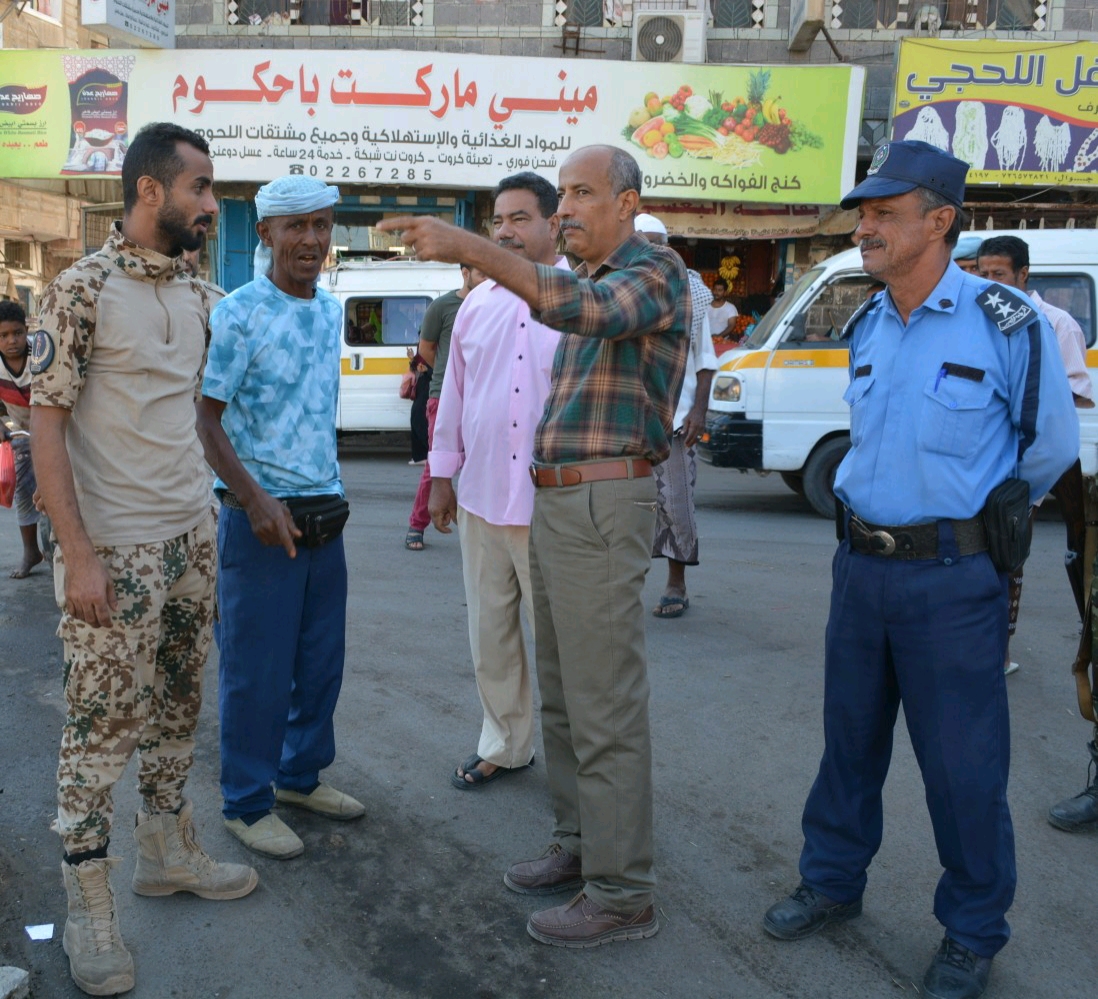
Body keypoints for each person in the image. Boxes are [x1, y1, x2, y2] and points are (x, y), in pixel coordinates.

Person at [761, 140, 1078, 999]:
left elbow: (1049, 449)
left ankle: (973, 931)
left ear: (938, 221)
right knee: (848, 745)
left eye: (884, 214)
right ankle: (831, 880)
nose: (865, 227)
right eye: (864, 213)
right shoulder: (867, 321)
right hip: (861, 569)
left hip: (953, 579)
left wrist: (975, 524)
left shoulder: (1008, 324)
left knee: (963, 764)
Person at [379, 143, 689, 948]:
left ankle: (623, 894)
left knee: (604, 700)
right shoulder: (577, 281)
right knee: (562, 692)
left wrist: (472, 247)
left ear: (627, 201)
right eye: (563, 199)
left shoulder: (652, 271)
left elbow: (581, 312)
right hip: (554, 501)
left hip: (599, 497)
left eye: (580, 195)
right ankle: (581, 845)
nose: (564, 212)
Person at [30, 122, 257, 998]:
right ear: (151, 191)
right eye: (199, 188)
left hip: (188, 537)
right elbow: (46, 424)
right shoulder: (80, 290)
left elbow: (194, 417)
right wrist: (78, 553)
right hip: (112, 550)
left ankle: (166, 850)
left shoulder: (197, 291)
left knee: (176, 703)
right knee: (97, 727)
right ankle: (88, 894)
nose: (210, 203)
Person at [196, 176, 364, 862]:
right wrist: (256, 499)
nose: (312, 240)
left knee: (321, 665)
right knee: (256, 671)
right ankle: (245, 800)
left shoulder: (330, 311)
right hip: (259, 523)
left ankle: (298, 777)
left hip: (325, 515)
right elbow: (207, 420)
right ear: (264, 233)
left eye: (323, 225)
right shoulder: (238, 313)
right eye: (296, 226)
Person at [428, 171, 564, 790]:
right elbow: (453, 396)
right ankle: (504, 744)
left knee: (565, 648)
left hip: (554, 506)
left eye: (520, 219)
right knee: (491, 632)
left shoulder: (578, 300)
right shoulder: (473, 306)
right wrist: (442, 477)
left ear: (552, 224)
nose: (506, 231)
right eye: (498, 222)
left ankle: (580, 765)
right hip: (481, 496)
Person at [975, 234, 1094, 677]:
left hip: (1031, 457)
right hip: (983, 457)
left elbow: (1078, 394)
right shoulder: (975, 318)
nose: (990, 283)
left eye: (999, 274)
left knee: (1010, 554)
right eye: (983, 274)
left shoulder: (1056, 323)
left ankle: (1000, 652)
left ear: (1023, 274)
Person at [633, 213, 719, 619]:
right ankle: (623, 588)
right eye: (641, 243)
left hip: (676, 423)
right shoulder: (618, 293)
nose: (650, 252)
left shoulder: (691, 296)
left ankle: (676, 584)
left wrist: (699, 411)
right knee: (626, 510)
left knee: (677, 507)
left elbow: (705, 363)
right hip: (626, 425)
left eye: (657, 243)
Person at [404, 262, 485, 550]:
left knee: (483, 464)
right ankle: (417, 525)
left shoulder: (494, 305)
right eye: (481, 272)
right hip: (442, 396)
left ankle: (481, 531)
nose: (488, 278)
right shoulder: (443, 307)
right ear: (465, 272)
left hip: (482, 397)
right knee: (437, 467)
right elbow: (425, 352)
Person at [0, 300, 44, 578]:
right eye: (3, 336)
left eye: (17, 333)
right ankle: (31, 551)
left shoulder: (40, 354)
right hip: (24, 432)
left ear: (26, 330)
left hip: (56, 430)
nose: (11, 341)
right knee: (24, 492)